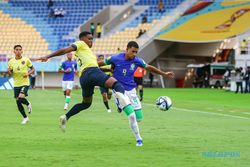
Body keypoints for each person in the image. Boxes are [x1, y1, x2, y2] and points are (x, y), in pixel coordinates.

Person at [37, 31, 143, 147]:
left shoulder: (87, 53)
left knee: (86, 103)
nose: (91, 41)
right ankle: (120, 101)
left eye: (92, 39)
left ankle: (66, 117)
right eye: (89, 39)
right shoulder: (81, 44)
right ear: (82, 39)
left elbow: (95, 66)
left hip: (84, 78)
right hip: (92, 72)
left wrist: (109, 70)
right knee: (116, 84)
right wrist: (48, 56)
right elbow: (65, 50)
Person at [98, 41, 174, 123]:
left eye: (136, 52)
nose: (134, 54)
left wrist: (163, 74)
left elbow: (149, 67)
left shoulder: (137, 61)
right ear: (127, 49)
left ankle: (121, 105)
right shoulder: (115, 58)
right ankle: (120, 104)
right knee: (131, 114)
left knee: (139, 118)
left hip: (131, 90)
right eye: (132, 51)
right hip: (118, 89)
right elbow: (99, 64)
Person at [7, 45, 34, 124]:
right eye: (16, 49)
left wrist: (28, 74)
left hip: (25, 82)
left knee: (20, 97)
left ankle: (28, 103)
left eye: (19, 50)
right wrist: (9, 71)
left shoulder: (26, 60)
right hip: (16, 84)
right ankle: (25, 118)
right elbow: (10, 73)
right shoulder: (11, 61)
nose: (18, 51)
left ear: (22, 51)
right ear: (14, 51)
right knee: (18, 101)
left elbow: (33, 69)